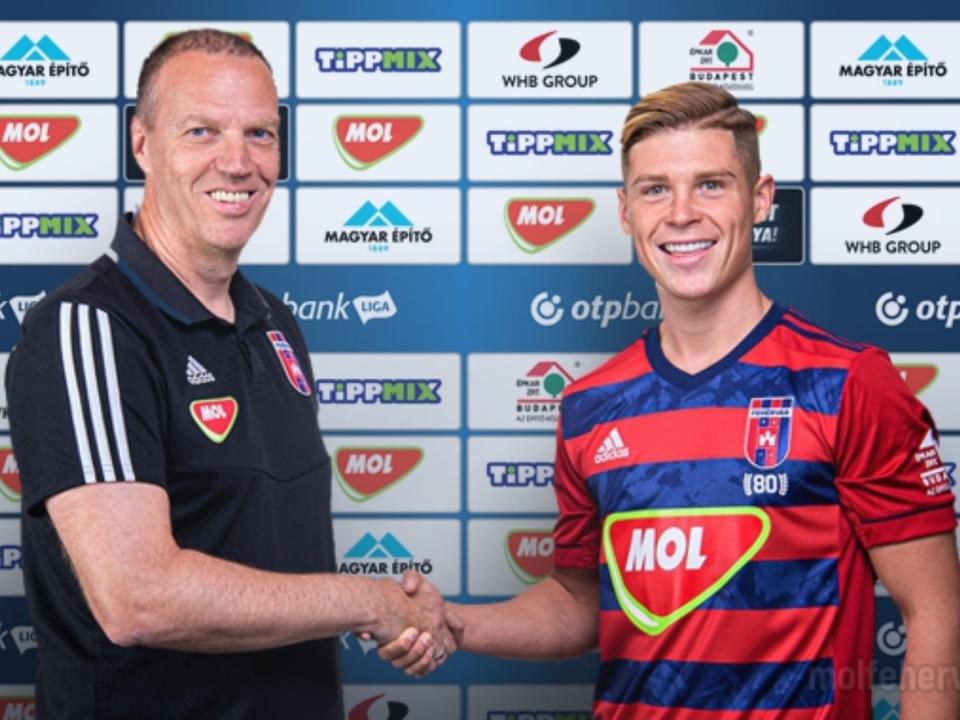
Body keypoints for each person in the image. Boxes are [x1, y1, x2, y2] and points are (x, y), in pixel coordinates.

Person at [382, 82, 960, 718]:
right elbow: (578, 604)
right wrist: (455, 623)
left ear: (760, 199)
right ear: (626, 210)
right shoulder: (588, 406)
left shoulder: (848, 383)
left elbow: (933, 608)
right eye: (655, 189)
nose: (682, 213)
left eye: (711, 184)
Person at [5, 30, 455, 719]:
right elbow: (138, 598)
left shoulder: (276, 323)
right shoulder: (86, 327)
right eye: (202, 131)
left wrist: (398, 611)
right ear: (142, 144)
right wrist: (370, 602)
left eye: (260, 134)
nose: (238, 162)